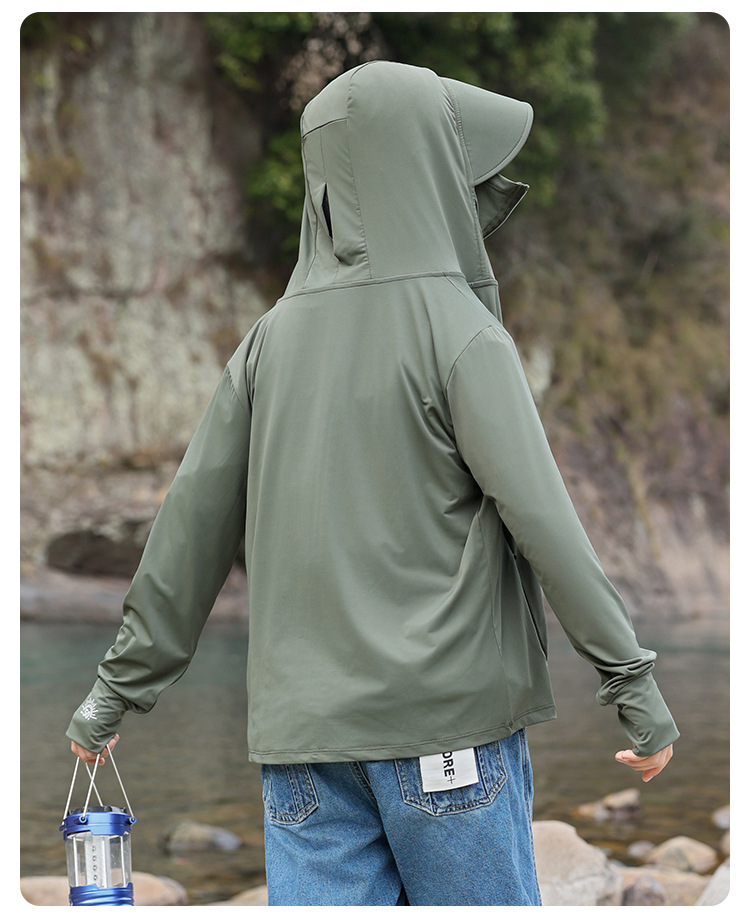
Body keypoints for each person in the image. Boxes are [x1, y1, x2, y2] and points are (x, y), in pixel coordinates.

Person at [67, 61, 678, 906]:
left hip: (304, 751)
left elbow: (189, 530)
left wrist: (113, 694)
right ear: (426, 169)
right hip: (447, 735)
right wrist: (632, 683)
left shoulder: (268, 342)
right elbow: (544, 521)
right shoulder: (462, 333)